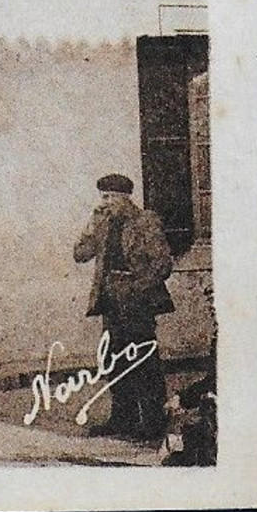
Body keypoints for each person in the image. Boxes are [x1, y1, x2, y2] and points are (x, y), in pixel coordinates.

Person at [73, 173, 174, 441]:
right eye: (102, 197)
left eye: (108, 197)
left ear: (123, 197)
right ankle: (123, 420)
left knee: (143, 360)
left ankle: (153, 421)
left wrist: (136, 289)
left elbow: (163, 264)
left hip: (137, 302)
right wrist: (92, 221)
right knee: (114, 361)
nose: (103, 202)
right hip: (111, 300)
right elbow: (80, 254)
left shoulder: (145, 221)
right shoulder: (104, 223)